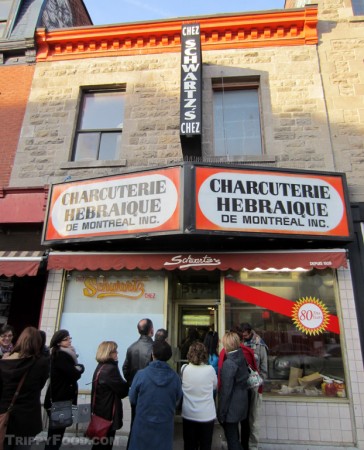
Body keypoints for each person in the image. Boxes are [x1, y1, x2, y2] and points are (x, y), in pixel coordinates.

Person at [0, 326, 49, 450]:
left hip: (4, 414)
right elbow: (41, 385)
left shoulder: (4, 363)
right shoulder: (41, 363)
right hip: (28, 417)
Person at [128, 340, 182, 450]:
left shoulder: (141, 375)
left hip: (142, 424)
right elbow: (178, 399)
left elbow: (132, 399)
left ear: (153, 354)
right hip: (164, 424)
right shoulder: (175, 378)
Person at [218, 327, 259, 450]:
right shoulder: (242, 357)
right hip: (243, 402)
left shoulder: (229, 363)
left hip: (232, 406)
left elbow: (226, 391)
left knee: (232, 439)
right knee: (236, 436)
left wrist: (221, 412)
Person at [44, 330, 85, 450]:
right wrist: (80, 368)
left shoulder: (64, 354)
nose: (69, 341)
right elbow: (73, 374)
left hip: (60, 399)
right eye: (66, 339)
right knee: (56, 435)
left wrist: (78, 368)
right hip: (60, 400)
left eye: (69, 338)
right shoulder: (62, 355)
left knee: (56, 434)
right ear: (58, 342)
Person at [90, 341, 129, 450]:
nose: (117, 353)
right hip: (108, 415)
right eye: (115, 351)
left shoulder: (100, 367)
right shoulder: (110, 369)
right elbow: (123, 390)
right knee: (105, 445)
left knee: (98, 444)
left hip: (99, 413)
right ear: (108, 353)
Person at [122, 318, 154, 449]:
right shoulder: (154, 348)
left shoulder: (131, 347)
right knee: (149, 426)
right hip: (150, 392)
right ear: (151, 330)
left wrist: (132, 383)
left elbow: (125, 368)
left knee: (135, 423)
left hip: (135, 392)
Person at [181, 341, 217, 450]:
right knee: (205, 445)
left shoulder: (184, 369)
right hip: (207, 415)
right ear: (205, 354)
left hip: (188, 414)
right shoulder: (210, 370)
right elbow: (215, 386)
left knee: (189, 445)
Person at [240, 323, 268, 450]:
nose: (243, 336)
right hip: (241, 388)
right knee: (241, 418)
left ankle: (253, 446)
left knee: (253, 418)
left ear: (250, 331)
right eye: (242, 334)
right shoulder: (239, 343)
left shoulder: (259, 344)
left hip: (255, 388)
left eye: (245, 333)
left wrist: (258, 382)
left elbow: (264, 368)